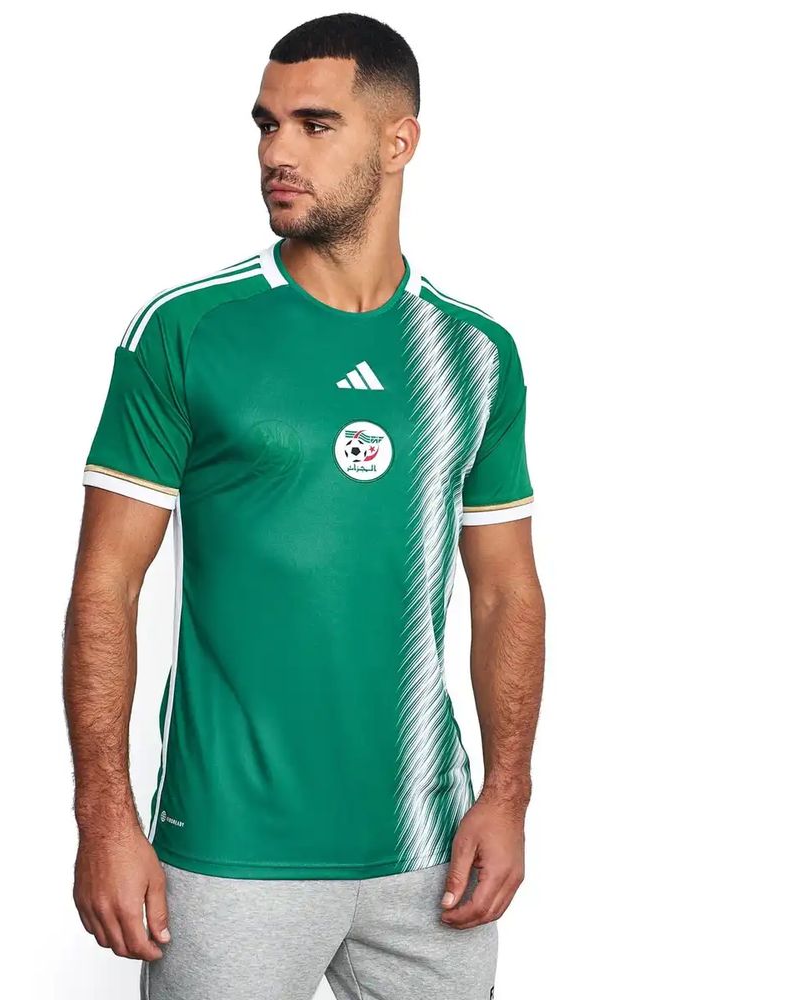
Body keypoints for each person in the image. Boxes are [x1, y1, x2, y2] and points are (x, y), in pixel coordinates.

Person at [62, 12, 546, 1000]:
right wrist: (104, 819)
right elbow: (105, 585)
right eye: (265, 124)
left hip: (428, 849)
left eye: (314, 125)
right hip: (230, 853)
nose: (275, 152)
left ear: (398, 141)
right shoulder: (188, 330)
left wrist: (507, 795)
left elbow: (507, 591)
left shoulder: (474, 353)